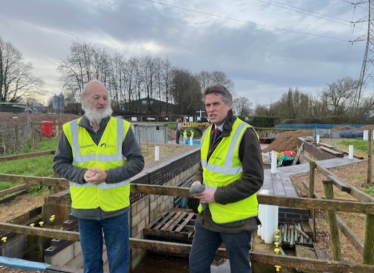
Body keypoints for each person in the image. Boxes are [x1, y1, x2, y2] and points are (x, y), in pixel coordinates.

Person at [53, 80, 144, 273]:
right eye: (96, 97)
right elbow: (59, 163)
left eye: (105, 97)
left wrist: (107, 176)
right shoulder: (70, 130)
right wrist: (80, 174)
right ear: (85, 100)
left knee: (119, 263)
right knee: (91, 264)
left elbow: (137, 162)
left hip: (116, 208)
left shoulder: (123, 128)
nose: (102, 102)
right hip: (85, 209)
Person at [189, 84, 264, 273]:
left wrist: (216, 195)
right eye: (207, 105)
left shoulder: (245, 134)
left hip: (236, 220)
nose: (211, 110)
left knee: (239, 269)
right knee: (197, 266)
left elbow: (254, 179)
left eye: (216, 104)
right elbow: (203, 166)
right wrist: (197, 180)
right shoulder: (208, 133)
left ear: (229, 105)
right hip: (208, 216)